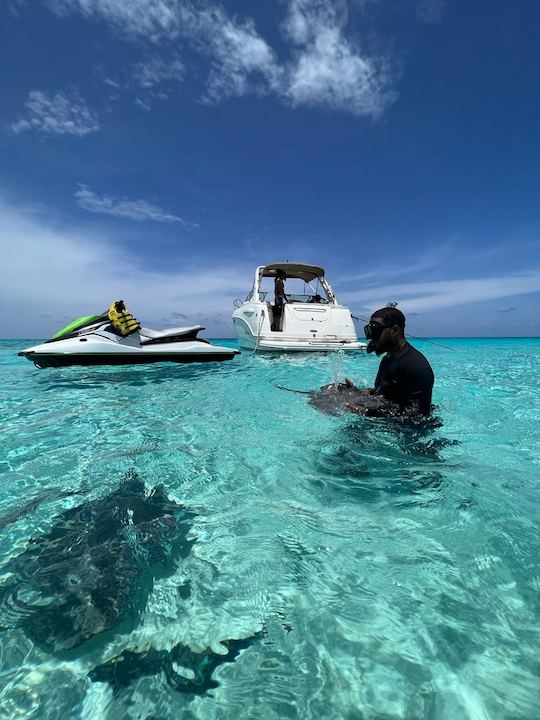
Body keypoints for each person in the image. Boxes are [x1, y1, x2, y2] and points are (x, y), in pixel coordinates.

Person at [346, 307, 434, 417]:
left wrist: (366, 412)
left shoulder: (415, 366)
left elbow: (418, 415)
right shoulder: (387, 360)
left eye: (376, 330)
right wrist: (360, 392)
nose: (371, 337)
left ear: (395, 331)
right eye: (369, 330)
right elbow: (387, 394)